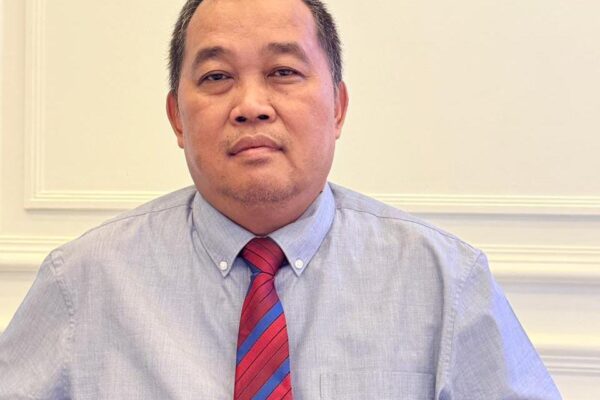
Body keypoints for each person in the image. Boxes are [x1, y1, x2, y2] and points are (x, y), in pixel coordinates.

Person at [0, 0, 561, 398]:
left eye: (283, 71)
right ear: (177, 118)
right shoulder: (83, 284)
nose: (251, 105)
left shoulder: (443, 281)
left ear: (338, 107)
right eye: (217, 76)